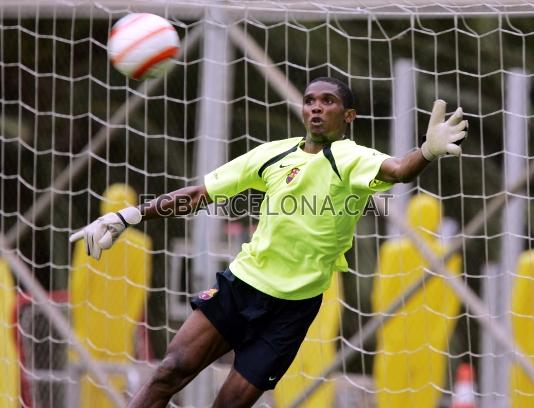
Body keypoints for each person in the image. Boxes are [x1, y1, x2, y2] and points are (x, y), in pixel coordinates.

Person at [70, 77, 468, 408]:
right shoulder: (271, 155)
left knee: (228, 405)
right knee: (169, 370)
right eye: (309, 100)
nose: (315, 107)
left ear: (347, 116)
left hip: (292, 310)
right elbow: (199, 194)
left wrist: (427, 151)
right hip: (243, 285)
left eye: (327, 101)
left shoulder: (351, 156)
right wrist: (129, 216)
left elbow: (399, 170)